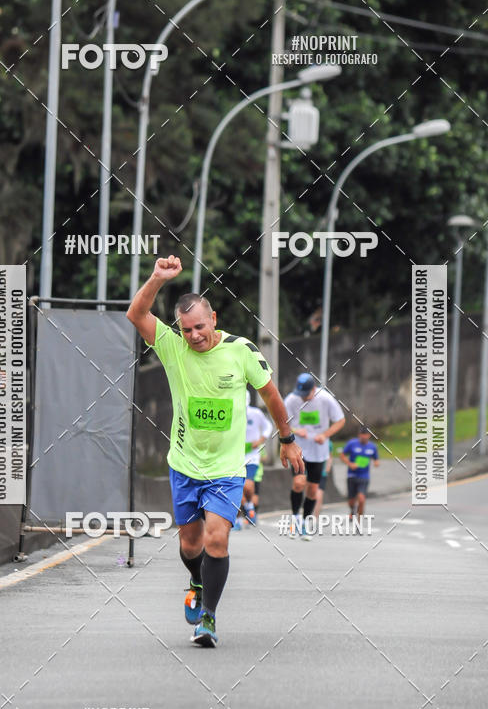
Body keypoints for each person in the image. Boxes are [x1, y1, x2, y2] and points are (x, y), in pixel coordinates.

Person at [127, 255, 303, 647]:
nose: (194, 336)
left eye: (200, 327)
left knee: (217, 540)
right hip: (185, 465)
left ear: (214, 320)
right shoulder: (173, 349)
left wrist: (288, 440)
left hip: (226, 468)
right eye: (186, 329)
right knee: (190, 544)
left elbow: (271, 394)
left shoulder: (241, 351)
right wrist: (157, 278)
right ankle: (196, 580)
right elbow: (136, 314)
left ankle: (208, 618)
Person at [284, 373, 345, 540]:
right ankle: (295, 517)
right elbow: (283, 422)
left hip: (319, 452)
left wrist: (325, 435)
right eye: (300, 394)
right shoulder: (291, 400)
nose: (303, 398)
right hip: (299, 449)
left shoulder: (325, 399)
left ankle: (305, 522)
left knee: (312, 490)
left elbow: (340, 420)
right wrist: (296, 431)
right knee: (299, 482)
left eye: (306, 395)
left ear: (314, 389)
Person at [233, 390, 272, 529]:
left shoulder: (255, 414)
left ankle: (249, 506)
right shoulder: (231, 413)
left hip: (252, 457)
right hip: (235, 457)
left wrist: (261, 440)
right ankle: (238, 518)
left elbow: (268, 426)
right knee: (235, 489)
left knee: (248, 486)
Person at [339, 425, 380, 519]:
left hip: (364, 476)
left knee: (361, 499)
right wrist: (350, 464)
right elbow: (342, 456)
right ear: (359, 435)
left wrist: (376, 463)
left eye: (365, 435)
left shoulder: (372, 447)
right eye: (362, 434)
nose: (363, 437)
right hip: (352, 475)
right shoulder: (352, 443)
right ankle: (352, 510)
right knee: (351, 501)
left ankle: (359, 521)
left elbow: (376, 459)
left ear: (369, 435)